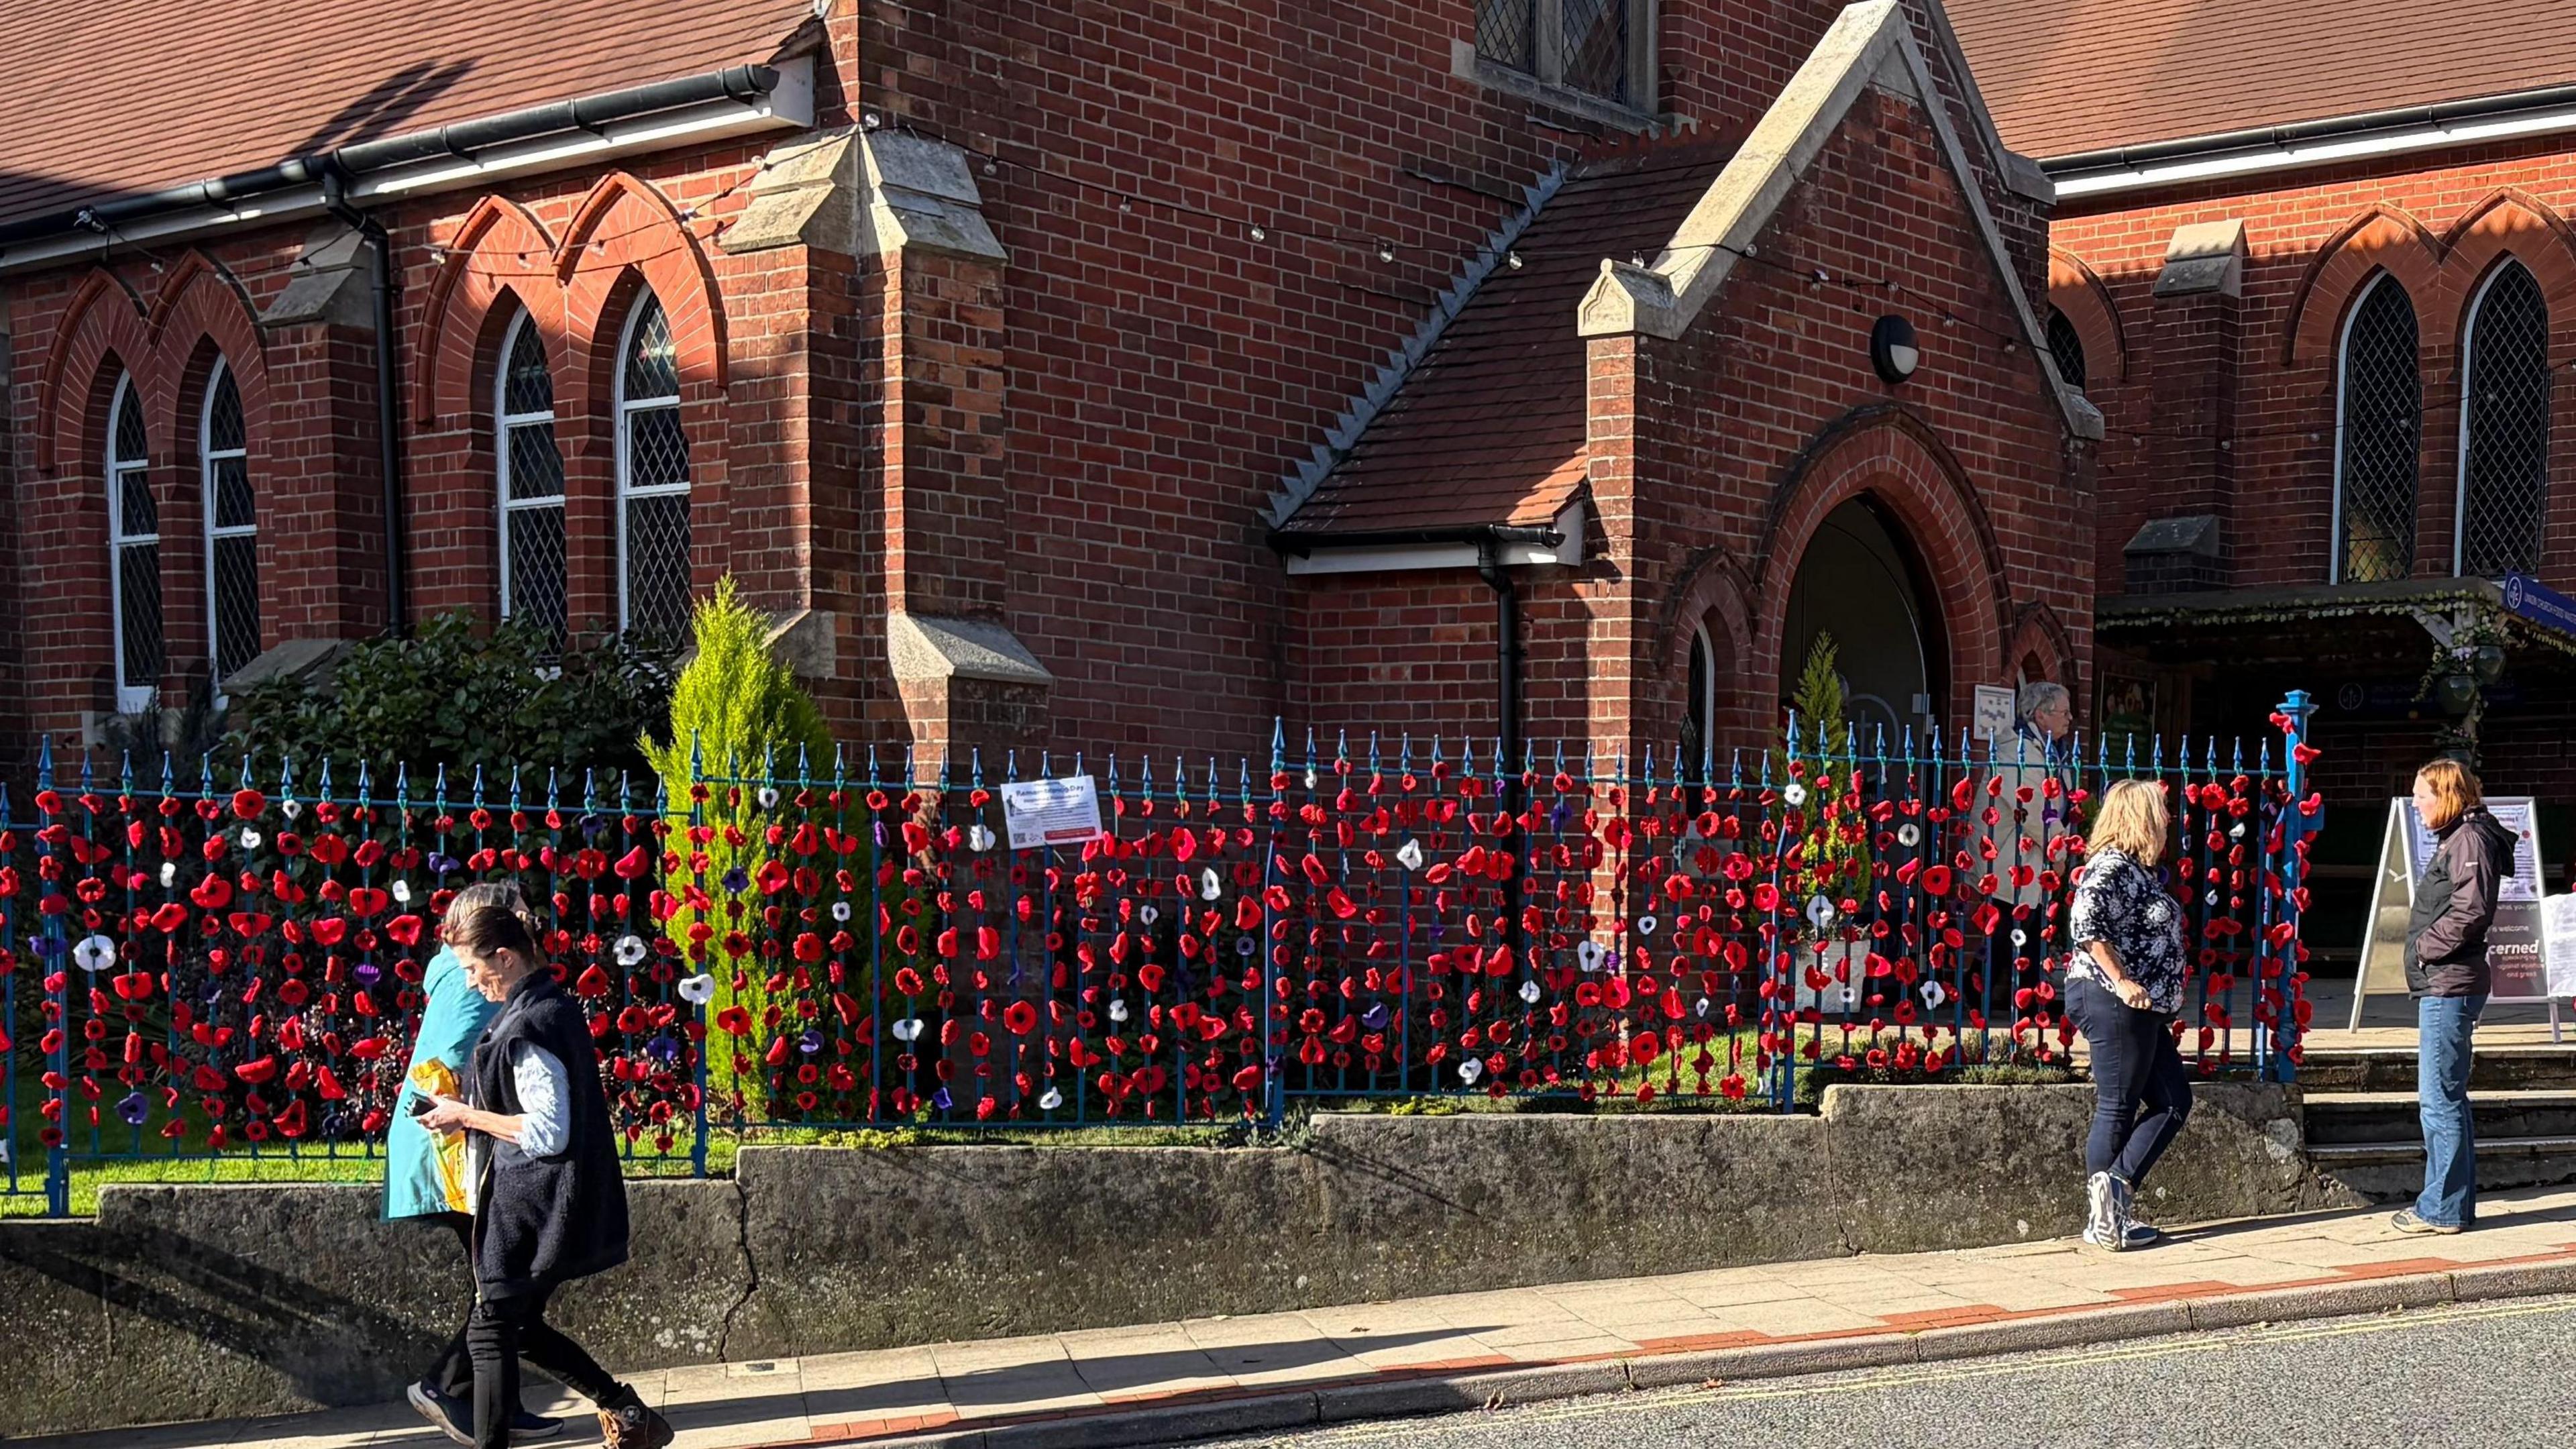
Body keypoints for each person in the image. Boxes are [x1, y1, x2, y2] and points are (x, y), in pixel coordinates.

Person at [419, 895, 675, 1449]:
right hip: (540, 1205)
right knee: (518, 1329)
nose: (470, 983)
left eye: (472, 969)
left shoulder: (531, 1021)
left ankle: (626, 1416)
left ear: (506, 958)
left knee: (492, 1330)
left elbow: (546, 1133)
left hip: (534, 1206)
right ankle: (629, 1414)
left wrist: (467, 1115)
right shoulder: (543, 1010)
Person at [390, 882, 562, 1444]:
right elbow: (467, 1057)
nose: (526, 922)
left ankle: (503, 1406)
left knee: (504, 1278)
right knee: (505, 1282)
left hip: (446, 1141)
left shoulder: (452, 971)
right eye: (514, 913)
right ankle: (445, 1386)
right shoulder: (474, 981)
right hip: (450, 1150)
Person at [2063, 778, 2190, 1252]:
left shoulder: (2136, 871)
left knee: (2174, 1101)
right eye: (2161, 814)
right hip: (2114, 1000)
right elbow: (2086, 926)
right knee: (2118, 1104)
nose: (2168, 823)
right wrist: (2122, 981)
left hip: (2145, 1007)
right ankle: (2105, 1220)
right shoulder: (2111, 866)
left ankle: (2115, 1193)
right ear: (2141, 819)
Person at [2394, 758, 2513, 1236]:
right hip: (2447, 982)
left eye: (2423, 795)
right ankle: (2452, 1207)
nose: (2417, 804)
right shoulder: (2462, 837)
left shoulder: (2469, 840)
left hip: (2449, 984)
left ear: (2446, 795)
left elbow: (2472, 911)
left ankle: (2440, 1209)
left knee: (2438, 1100)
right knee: (2448, 1098)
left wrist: (2425, 949)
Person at [1986, 682, 2076, 1028]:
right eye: (2063, 712)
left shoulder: (2051, 749)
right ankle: (2014, 999)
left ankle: (2020, 996)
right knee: (2013, 925)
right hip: (2013, 853)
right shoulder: (2016, 749)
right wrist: (2058, 848)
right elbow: (2032, 806)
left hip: (2034, 854)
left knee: (2024, 926)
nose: (2070, 718)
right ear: (2041, 714)